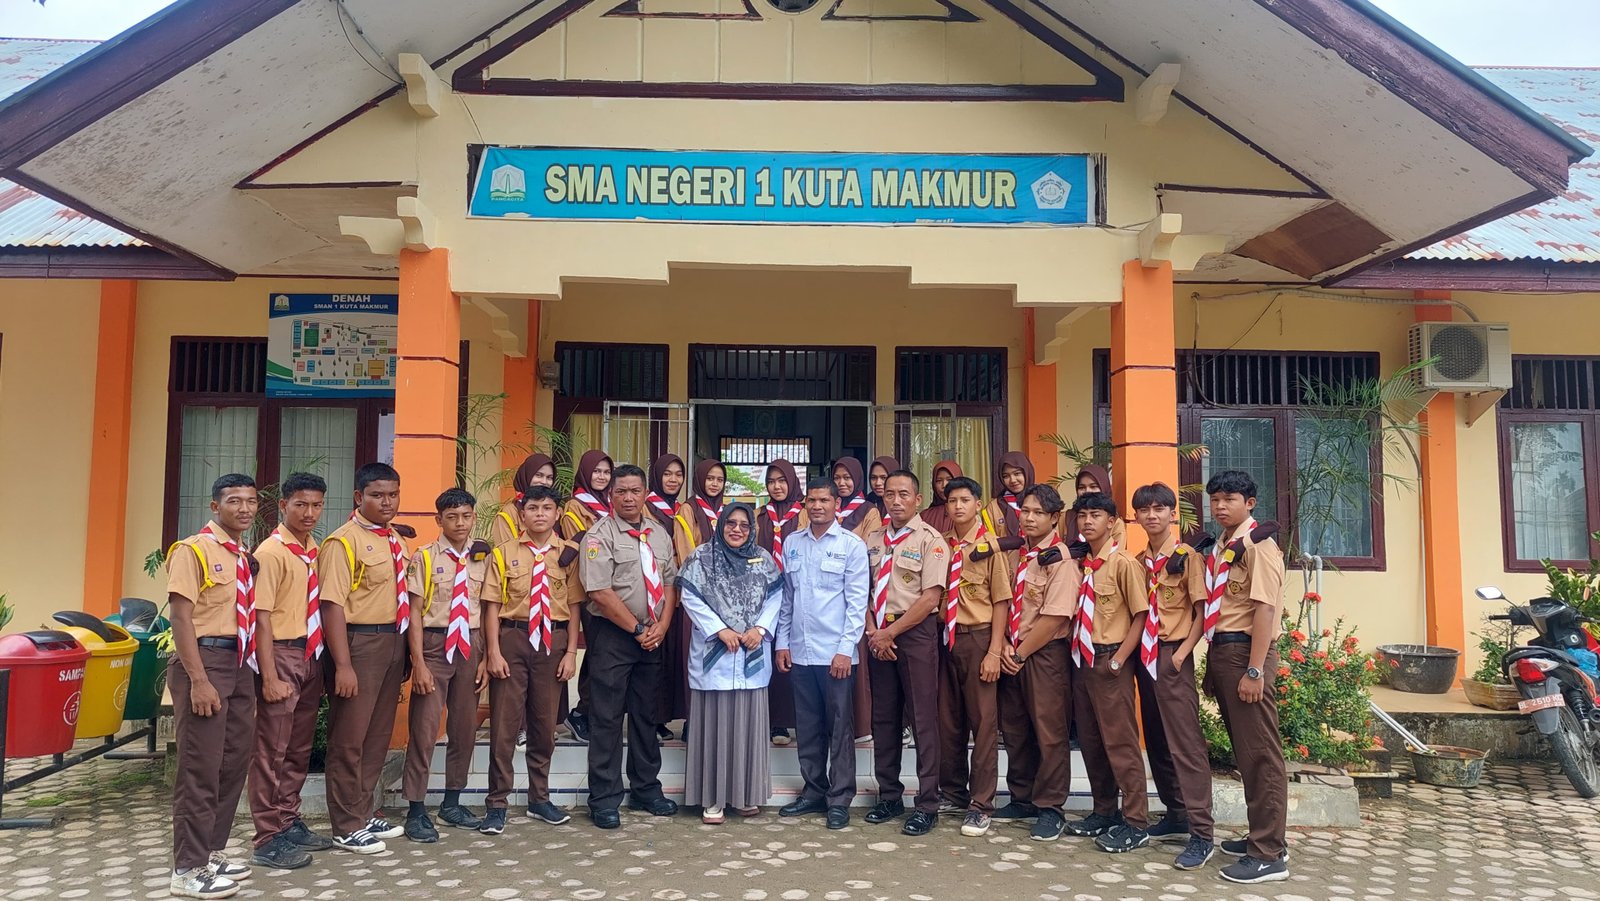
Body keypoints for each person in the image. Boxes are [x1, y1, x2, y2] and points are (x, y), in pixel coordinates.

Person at [166, 473, 263, 899]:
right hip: (205, 661)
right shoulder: (194, 551)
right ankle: (187, 870)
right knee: (199, 767)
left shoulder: (242, 554)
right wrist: (199, 680)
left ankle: (210, 852)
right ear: (214, 506)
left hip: (239, 662)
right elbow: (181, 617)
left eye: (250, 501)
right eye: (234, 501)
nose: (244, 509)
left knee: (232, 761)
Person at [578, 463, 681, 829]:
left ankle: (646, 790)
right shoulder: (598, 535)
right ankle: (604, 799)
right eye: (621, 491)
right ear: (611, 495)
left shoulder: (658, 533)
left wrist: (663, 625)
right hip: (614, 637)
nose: (628, 497)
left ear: (644, 493)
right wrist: (638, 629)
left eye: (635, 491)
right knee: (606, 719)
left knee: (645, 717)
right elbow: (600, 593)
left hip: (653, 636)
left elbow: (670, 582)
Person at [1200, 470, 1290, 885]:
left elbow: (1265, 610)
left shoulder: (1260, 546)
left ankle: (1269, 854)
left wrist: (1255, 670)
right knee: (1245, 751)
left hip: (1246, 652)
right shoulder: (1224, 545)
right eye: (1215, 499)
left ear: (1250, 503)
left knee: (1260, 755)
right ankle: (1263, 836)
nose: (1220, 506)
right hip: (1225, 649)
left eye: (1230, 498)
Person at [319, 462, 410, 854]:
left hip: (392, 642)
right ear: (359, 497)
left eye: (392, 494)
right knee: (349, 738)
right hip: (359, 645)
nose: (386, 502)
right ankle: (344, 825)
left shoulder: (396, 540)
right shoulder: (344, 542)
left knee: (376, 737)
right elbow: (332, 606)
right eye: (377, 495)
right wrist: (342, 664)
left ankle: (363, 809)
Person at [482, 485, 582, 834]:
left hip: (551, 643)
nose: (540, 513)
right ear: (522, 514)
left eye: (547, 508)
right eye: (533, 508)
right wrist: (492, 651)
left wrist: (570, 652)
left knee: (543, 726)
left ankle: (540, 798)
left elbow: (573, 608)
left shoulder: (567, 555)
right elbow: (491, 607)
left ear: (557, 514)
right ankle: (497, 803)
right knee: (505, 726)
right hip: (513, 638)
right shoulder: (502, 552)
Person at [677, 504, 785, 823]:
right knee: (714, 729)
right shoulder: (701, 558)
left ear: (752, 528)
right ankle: (712, 798)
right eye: (731, 524)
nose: (737, 529)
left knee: (747, 729)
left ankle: (745, 795)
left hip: (750, 653)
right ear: (720, 525)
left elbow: (776, 597)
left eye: (743, 525)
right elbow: (690, 596)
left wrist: (761, 629)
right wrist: (720, 630)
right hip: (716, 655)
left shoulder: (763, 560)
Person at [1130, 482, 1216, 870]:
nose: (1152, 515)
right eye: (1144, 509)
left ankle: (1202, 833)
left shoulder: (1187, 558)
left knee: (1185, 743)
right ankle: (1176, 813)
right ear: (1136, 516)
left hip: (1171, 655)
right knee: (1157, 738)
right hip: (1143, 658)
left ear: (1172, 514)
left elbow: (1202, 613)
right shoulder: (1138, 561)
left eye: (1159, 509)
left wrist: (1181, 655)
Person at [776, 477, 869, 831]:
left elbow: (856, 603)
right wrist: (782, 643)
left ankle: (839, 798)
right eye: (811, 500)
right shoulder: (792, 544)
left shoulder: (851, 546)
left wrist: (845, 650)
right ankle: (813, 790)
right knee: (809, 726)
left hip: (835, 656)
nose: (817, 506)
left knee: (839, 727)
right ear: (805, 505)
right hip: (801, 652)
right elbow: (787, 598)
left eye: (824, 500)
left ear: (836, 504)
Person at [248, 472, 329, 871]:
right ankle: (266, 837)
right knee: (271, 750)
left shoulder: (311, 548)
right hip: (280, 653)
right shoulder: (272, 552)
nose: (309, 512)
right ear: (283, 506)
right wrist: (269, 675)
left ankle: (288, 818)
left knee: (297, 746)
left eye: (316, 505)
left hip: (310, 653)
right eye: (301, 505)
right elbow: (260, 618)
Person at [1064, 492, 1152, 853]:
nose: (1087, 521)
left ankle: (1136, 821)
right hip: (1082, 660)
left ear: (1112, 521)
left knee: (1120, 743)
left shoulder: (1123, 564)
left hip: (1110, 658)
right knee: (1091, 739)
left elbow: (1141, 615)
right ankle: (1104, 810)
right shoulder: (1084, 562)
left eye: (1096, 515)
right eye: (1082, 515)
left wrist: (1119, 660)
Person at [400, 488, 490, 842]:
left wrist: (484, 658)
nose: (460, 523)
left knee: (465, 727)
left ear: (474, 518)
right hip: (435, 646)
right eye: (451, 517)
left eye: (466, 516)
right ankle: (416, 809)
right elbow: (414, 614)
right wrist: (418, 663)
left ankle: (452, 801)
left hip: (471, 644)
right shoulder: (424, 558)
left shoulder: (484, 557)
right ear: (438, 520)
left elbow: (488, 608)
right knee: (424, 730)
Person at [863, 469, 948, 836]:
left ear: (916, 499)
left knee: (923, 719)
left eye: (903, 494)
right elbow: (862, 589)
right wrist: (873, 631)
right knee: (883, 719)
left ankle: (928, 803)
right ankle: (889, 795)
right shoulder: (872, 538)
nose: (895, 500)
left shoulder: (931, 539)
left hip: (913, 633)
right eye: (890, 494)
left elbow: (931, 597)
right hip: (878, 633)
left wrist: (890, 632)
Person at [994, 484, 1079, 842]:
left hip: (1042, 654)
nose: (1027, 518)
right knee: (1015, 729)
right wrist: (1003, 646)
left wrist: (1019, 651)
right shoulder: (1018, 554)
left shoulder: (1061, 560)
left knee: (1049, 732)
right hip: (1013, 651)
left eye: (1037, 513)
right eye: (1024, 511)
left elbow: (1055, 618)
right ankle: (1022, 796)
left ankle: (1051, 807)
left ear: (1054, 518)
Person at [936, 476, 1011, 837]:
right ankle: (952, 791)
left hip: (978, 638)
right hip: (945, 639)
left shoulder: (989, 547)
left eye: (965, 499)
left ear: (978, 504)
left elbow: (1001, 602)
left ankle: (981, 804)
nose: (958, 506)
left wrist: (994, 651)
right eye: (952, 501)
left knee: (983, 725)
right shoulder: (942, 545)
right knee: (948, 721)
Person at [560, 450, 613, 744]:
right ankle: (582, 713)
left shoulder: (611, 503)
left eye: (606, 472)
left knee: (607, 653)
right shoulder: (574, 507)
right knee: (597, 653)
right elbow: (586, 547)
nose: (602, 477)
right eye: (597, 472)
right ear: (586, 473)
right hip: (592, 590)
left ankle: (594, 711)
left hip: (615, 590)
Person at [648, 454, 699, 740]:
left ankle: (667, 716)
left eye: (678, 474)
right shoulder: (645, 508)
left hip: (679, 594)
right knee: (654, 656)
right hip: (652, 591)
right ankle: (651, 719)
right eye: (667, 474)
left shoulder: (684, 509)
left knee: (674, 657)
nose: (673, 479)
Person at [758, 459, 804, 746]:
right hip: (765, 597)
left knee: (796, 657)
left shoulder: (805, 514)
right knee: (770, 656)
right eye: (772, 481)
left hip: (798, 596)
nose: (777, 486)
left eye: (782, 480)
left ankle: (798, 719)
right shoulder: (758, 515)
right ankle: (776, 722)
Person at [491, 452, 557, 546]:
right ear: (526, 475)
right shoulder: (509, 513)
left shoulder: (557, 510)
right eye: (538, 475)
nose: (544, 482)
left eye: (549, 478)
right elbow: (505, 554)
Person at [986, 451, 1035, 543]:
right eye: (1006, 476)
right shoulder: (993, 507)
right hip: (1005, 557)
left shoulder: (1042, 501)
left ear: (1027, 472)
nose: (1012, 480)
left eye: (1017, 474)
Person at [832, 457, 882, 540]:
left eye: (847, 477)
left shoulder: (869, 511)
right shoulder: (828, 506)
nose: (841, 483)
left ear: (857, 479)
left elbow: (870, 545)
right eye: (836, 478)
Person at [919, 460, 962, 534]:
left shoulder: (965, 513)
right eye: (939, 481)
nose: (944, 485)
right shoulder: (925, 516)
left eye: (949, 480)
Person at [690, 459, 728, 538]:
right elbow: (685, 546)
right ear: (700, 479)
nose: (715, 484)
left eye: (720, 480)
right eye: (710, 478)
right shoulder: (689, 508)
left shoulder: (726, 510)